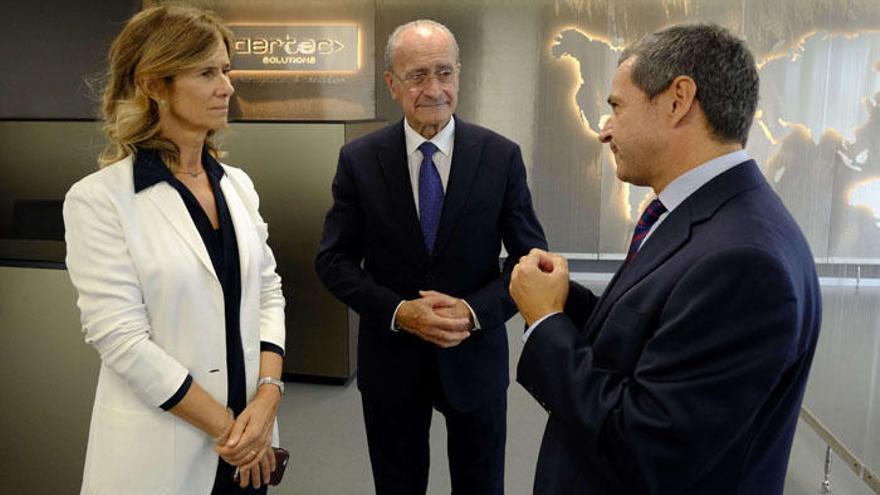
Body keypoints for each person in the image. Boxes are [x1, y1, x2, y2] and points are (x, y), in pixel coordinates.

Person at [510, 24, 822, 494]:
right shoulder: (705, 217)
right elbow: (657, 340)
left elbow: (645, 446)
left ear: (678, 100)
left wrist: (546, 323)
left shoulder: (744, 261)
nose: (604, 129)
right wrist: (567, 301)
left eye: (617, 106)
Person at [315, 19, 546, 494]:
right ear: (392, 84)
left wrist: (473, 312)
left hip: (474, 359)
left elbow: (530, 260)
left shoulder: (500, 156)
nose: (434, 89)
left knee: (481, 485)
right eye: (418, 75)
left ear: (459, 74)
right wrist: (400, 312)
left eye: (444, 72)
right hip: (390, 363)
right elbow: (333, 260)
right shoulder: (359, 160)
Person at [63, 6, 286, 494]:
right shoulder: (99, 200)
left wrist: (269, 396)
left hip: (252, 441)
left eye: (226, 70)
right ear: (154, 85)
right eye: (206, 72)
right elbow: (122, 340)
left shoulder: (238, 186)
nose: (226, 86)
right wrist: (230, 431)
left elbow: (268, 292)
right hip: (169, 450)